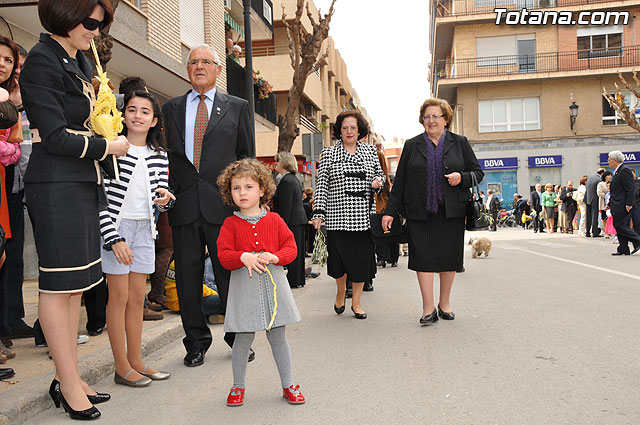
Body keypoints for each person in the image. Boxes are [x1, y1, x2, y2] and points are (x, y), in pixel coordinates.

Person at [20, 0, 130, 419]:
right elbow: (53, 136)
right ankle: (67, 384)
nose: (95, 31)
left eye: (100, 24)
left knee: (77, 287)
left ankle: (69, 375)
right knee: (58, 286)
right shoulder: (41, 62)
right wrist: (108, 145)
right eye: (90, 22)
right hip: (56, 185)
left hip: (83, 183)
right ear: (66, 15)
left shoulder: (82, 60)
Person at [162, 43, 253, 367]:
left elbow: (246, 159)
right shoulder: (171, 108)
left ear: (218, 68)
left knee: (231, 274)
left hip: (223, 207)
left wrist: (247, 204)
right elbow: (169, 159)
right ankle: (196, 342)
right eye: (193, 62)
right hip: (184, 207)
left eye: (206, 61)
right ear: (187, 70)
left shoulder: (238, 107)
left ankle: (237, 337)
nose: (199, 66)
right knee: (188, 278)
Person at [382, 98, 483, 325]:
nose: (430, 120)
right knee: (423, 259)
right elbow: (401, 183)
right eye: (426, 117)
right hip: (420, 212)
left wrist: (462, 178)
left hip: (452, 212)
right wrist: (389, 212)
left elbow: (478, 173)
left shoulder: (460, 142)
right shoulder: (412, 145)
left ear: (446, 119)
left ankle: (444, 304)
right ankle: (428, 308)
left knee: (449, 259)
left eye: (435, 116)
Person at [99, 91, 174, 387]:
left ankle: (136, 361)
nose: (138, 115)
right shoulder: (113, 149)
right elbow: (100, 197)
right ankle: (121, 366)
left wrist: (166, 200)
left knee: (137, 297)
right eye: (132, 109)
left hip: (145, 229)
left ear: (154, 120)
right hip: (118, 229)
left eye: (145, 112)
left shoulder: (160, 155)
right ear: (122, 116)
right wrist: (112, 236)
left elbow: (161, 199)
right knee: (117, 297)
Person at [216, 158, 305, 406]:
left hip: (274, 287)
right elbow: (223, 256)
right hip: (244, 288)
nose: (242, 193)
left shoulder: (275, 220)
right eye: (236, 188)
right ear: (229, 192)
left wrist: (276, 256)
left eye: (248, 187)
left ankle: (288, 384)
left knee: (278, 336)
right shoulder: (230, 224)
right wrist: (241, 256)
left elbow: (291, 247)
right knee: (242, 338)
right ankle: (238, 386)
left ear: (262, 190)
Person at [311, 111, 383, 320]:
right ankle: (341, 292)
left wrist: (377, 184)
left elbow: (380, 177)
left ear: (359, 130)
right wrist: (318, 213)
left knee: (360, 263)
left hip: (362, 219)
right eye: (345, 128)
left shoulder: (370, 152)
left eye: (353, 127)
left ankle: (357, 303)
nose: (349, 131)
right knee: (339, 263)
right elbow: (322, 186)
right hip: (337, 218)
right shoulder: (328, 154)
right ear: (339, 131)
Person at [272, 152, 307, 288]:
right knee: (298, 251)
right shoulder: (293, 178)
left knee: (292, 251)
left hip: (292, 220)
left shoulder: (286, 181)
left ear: (284, 163)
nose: (276, 163)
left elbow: (285, 206)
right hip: (298, 219)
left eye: (278, 161)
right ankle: (298, 279)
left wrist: (282, 225)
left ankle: (294, 280)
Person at [607, 151, 640, 255]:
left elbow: (630, 189)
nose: (608, 162)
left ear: (615, 160)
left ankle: (637, 239)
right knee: (619, 226)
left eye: (609, 160)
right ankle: (623, 248)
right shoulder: (617, 171)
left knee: (621, 225)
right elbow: (616, 190)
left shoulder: (624, 170)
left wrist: (629, 203)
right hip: (616, 203)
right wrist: (609, 203)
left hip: (622, 205)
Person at [374, 141, 399, 268]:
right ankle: (390, 258)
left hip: (382, 201)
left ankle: (385, 258)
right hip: (383, 201)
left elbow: (385, 184)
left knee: (383, 230)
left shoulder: (377, 155)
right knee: (388, 230)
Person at [585, 168, 605, 237]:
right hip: (595, 199)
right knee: (594, 216)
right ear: (602, 173)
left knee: (588, 216)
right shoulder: (599, 180)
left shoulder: (590, 178)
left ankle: (587, 231)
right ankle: (595, 232)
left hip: (587, 198)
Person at [597, 171, 611, 236]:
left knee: (610, 217)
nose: (610, 177)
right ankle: (606, 232)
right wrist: (606, 195)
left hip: (611, 202)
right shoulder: (600, 184)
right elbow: (599, 193)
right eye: (609, 175)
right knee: (604, 218)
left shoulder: (612, 183)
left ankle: (611, 231)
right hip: (603, 202)